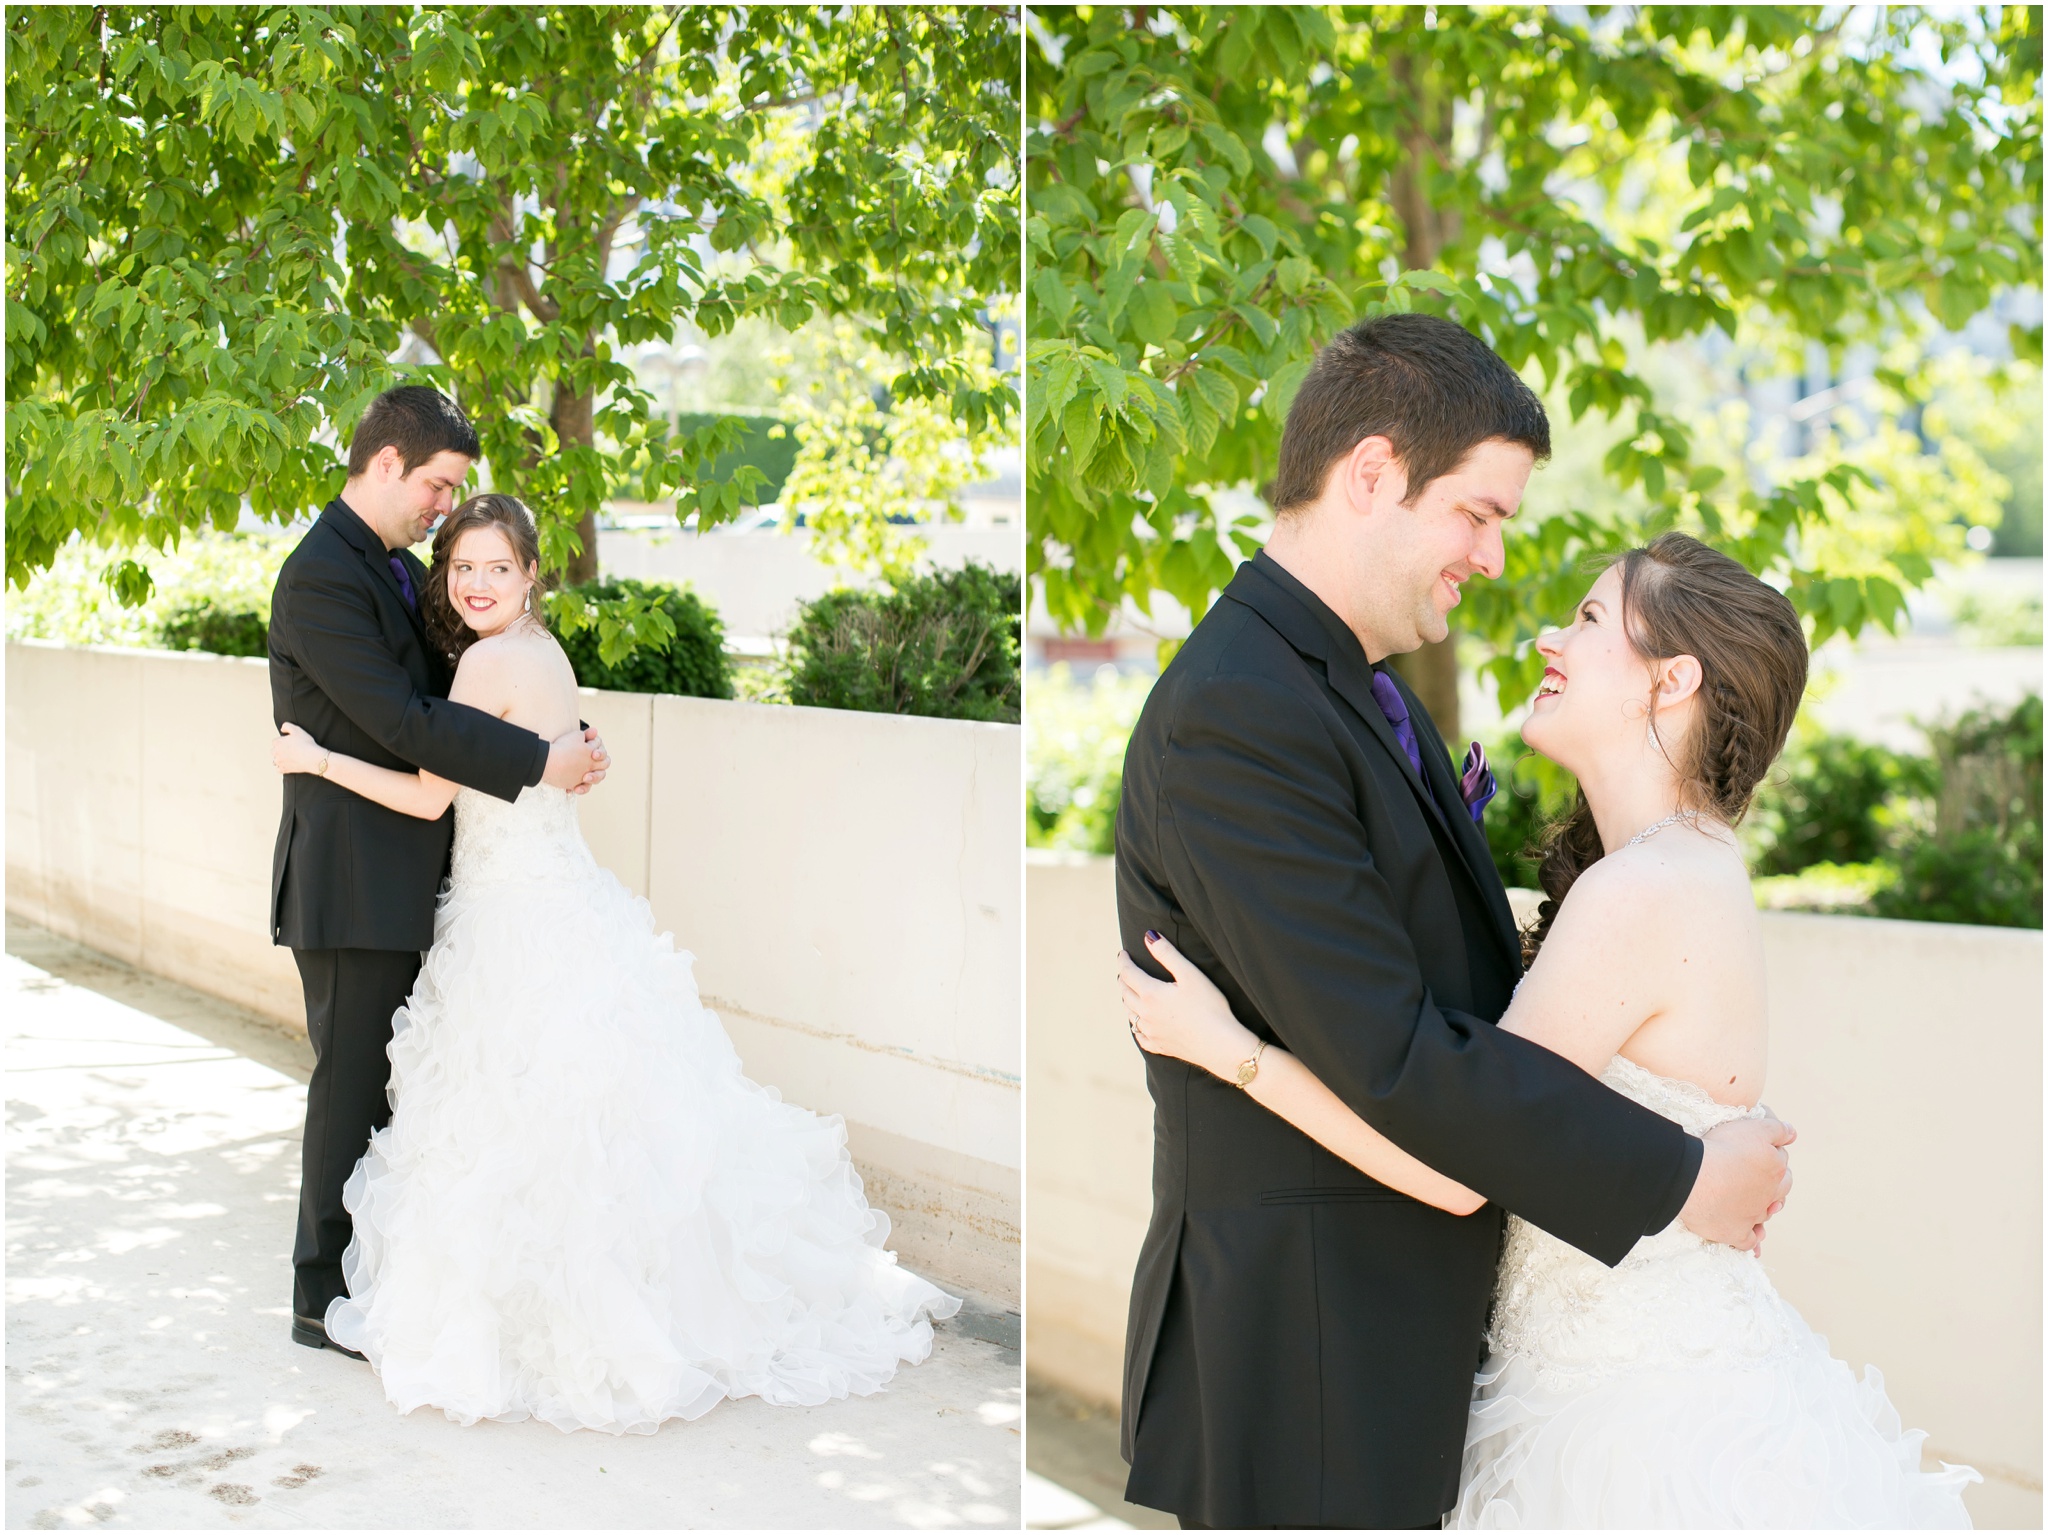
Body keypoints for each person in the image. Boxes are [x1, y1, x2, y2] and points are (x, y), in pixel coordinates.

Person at [1119, 532, 1978, 1527]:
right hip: (1637, 1373)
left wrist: (1233, 1050)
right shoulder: (1682, 867)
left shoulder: (1638, 892)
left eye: (1584, 619)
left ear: (1671, 680)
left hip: (1630, 1426)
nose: (1545, 636)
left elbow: (1454, 1165)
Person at [1108, 313, 1797, 1530]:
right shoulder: (1238, 713)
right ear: (1371, 473)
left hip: (1414, 1354)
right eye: (1476, 513)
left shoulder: (1361, 688)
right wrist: (1681, 1173)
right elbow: (1399, 1061)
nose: (1488, 558)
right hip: (1310, 1353)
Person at [270, 493, 958, 1433]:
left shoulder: (484, 664)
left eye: (495, 568)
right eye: (461, 566)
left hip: (511, 916)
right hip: (555, 898)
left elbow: (430, 797)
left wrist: (314, 760)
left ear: (530, 574)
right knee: (588, 1117)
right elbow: (540, 761)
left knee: (523, 1120)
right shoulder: (544, 653)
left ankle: (552, 1315)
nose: (475, 582)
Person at [268, 385, 609, 1359]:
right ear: (385, 463)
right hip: (352, 878)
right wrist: (539, 764)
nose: (441, 504)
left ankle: (372, 1283)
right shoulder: (320, 579)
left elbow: (467, 678)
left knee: (398, 1095)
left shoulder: (392, 566)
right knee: (350, 1092)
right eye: (437, 484)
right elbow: (405, 722)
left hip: (421, 871)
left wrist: (552, 731)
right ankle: (317, 1297)